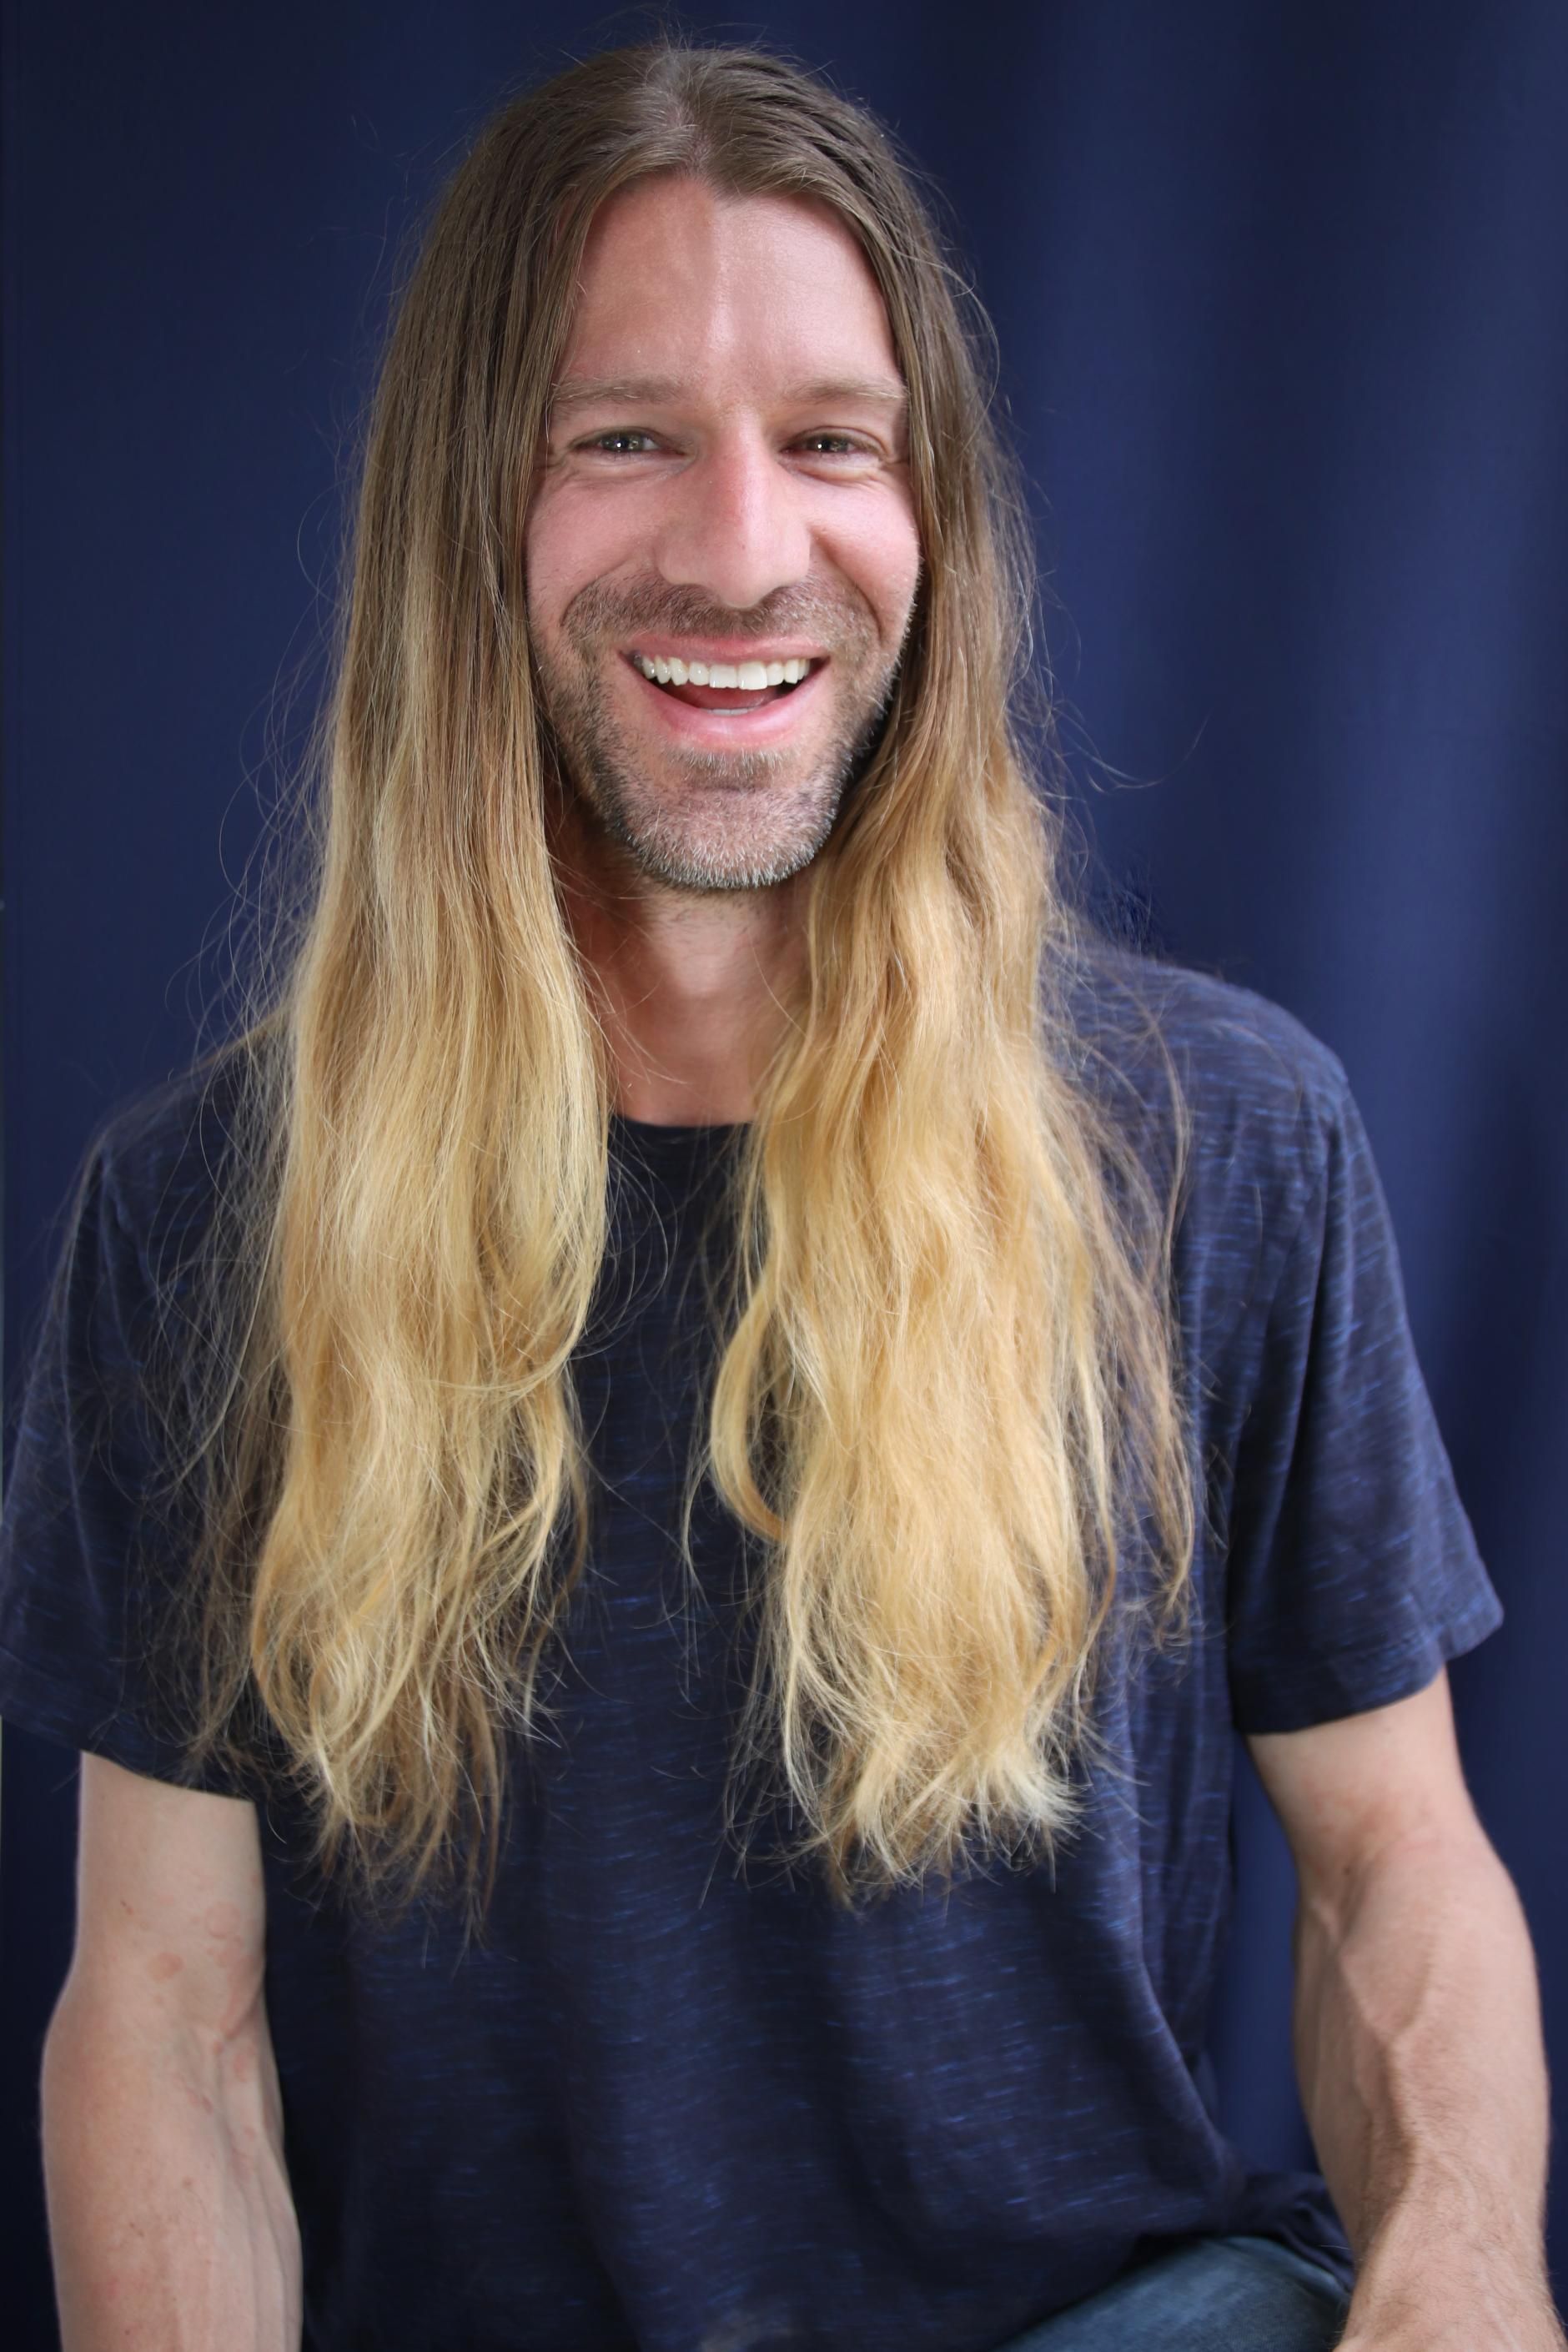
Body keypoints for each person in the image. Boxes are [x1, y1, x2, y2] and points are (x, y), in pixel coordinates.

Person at [0, 37, 1559, 2352]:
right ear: (469, 518)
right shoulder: (205, 1220)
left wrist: (1464, 2262)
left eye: (832, 441)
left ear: (932, 522)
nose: (745, 548)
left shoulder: (1232, 1138)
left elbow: (1389, 1857)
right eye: (624, 437)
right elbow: (166, 2009)